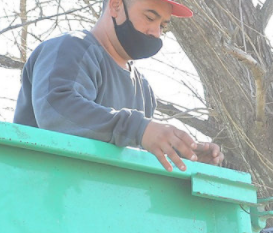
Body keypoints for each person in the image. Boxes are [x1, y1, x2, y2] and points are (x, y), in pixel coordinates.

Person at [14, 0, 223, 172]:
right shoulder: (71, 48)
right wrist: (139, 128)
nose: (156, 33)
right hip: (41, 203)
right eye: (150, 17)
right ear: (115, 6)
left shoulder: (144, 89)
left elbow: (132, 153)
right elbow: (56, 110)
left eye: (163, 26)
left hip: (104, 210)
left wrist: (185, 155)